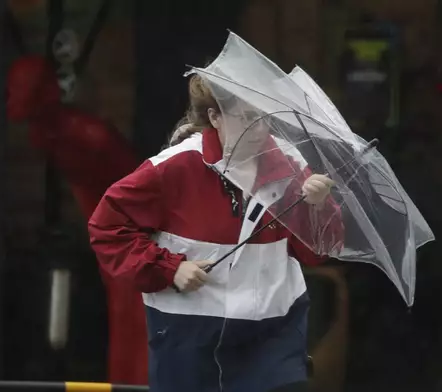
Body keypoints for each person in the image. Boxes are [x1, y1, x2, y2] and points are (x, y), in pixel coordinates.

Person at [88, 75, 343, 392]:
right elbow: (107, 227)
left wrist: (317, 208)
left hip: (273, 338)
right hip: (189, 338)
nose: (258, 128)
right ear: (215, 117)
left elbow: (318, 252)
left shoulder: (292, 169)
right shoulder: (174, 167)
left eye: (264, 117)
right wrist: (170, 268)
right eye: (245, 117)